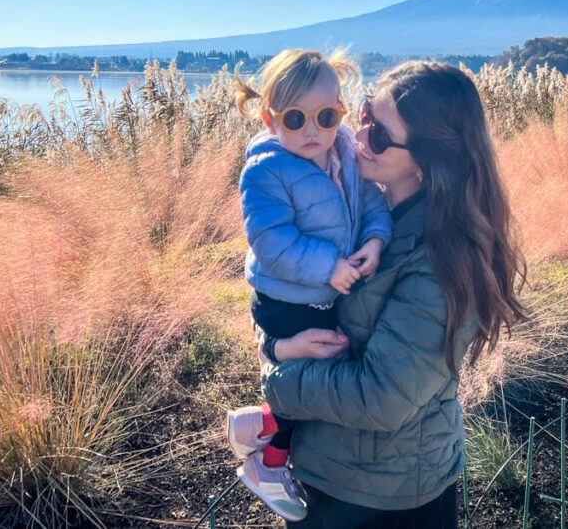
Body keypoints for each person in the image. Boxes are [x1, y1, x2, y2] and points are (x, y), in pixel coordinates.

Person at [231, 61, 527, 527]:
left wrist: (279, 383)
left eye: (380, 137)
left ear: (432, 161)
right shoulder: (360, 205)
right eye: (364, 117)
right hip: (325, 470)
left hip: (385, 499)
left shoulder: (446, 258)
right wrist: (276, 346)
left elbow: (383, 396)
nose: (357, 137)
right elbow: (286, 294)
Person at [226, 49, 393, 521]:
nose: (311, 130)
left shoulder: (342, 150)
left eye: (325, 115)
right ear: (269, 118)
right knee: (316, 376)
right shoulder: (266, 170)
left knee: (326, 363)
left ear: (340, 110)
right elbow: (271, 241)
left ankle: (255, 423)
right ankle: (269, 465)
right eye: (295, 118)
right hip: (287, 297)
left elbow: (370, 202)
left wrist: (377, 239)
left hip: (321, 292)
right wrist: (328, 267)